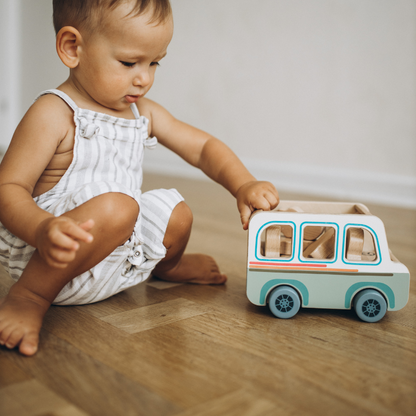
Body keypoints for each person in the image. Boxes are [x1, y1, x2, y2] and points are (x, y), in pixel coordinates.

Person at [0, 0, 279, 356]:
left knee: (177, 213)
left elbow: (203, 147)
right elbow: (8, 188)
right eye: (129, 62)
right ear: (73, 48)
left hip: (117, 260)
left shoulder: (141, 112)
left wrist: (243, 183)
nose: (144, 78)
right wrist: (41, 229)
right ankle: (27, 299)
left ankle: (168, 265)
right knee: (120, 207)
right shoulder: (53, 112)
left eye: (154, 62)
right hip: (50, 257)